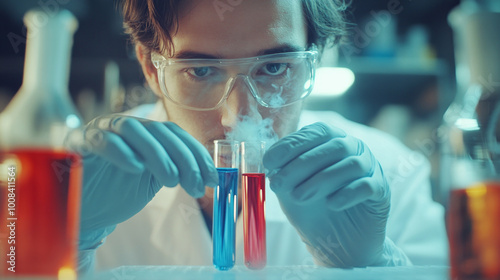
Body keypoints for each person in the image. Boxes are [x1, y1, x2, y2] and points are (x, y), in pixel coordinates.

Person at [78, 0, 448, 273]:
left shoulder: (389, 172)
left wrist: (371, 265)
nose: (238, 116)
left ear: (311, 63)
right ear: (151, 69)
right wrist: (67, 238)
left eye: (274, 67)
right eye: (201, 71)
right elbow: (16, 259)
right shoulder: (87, 174)